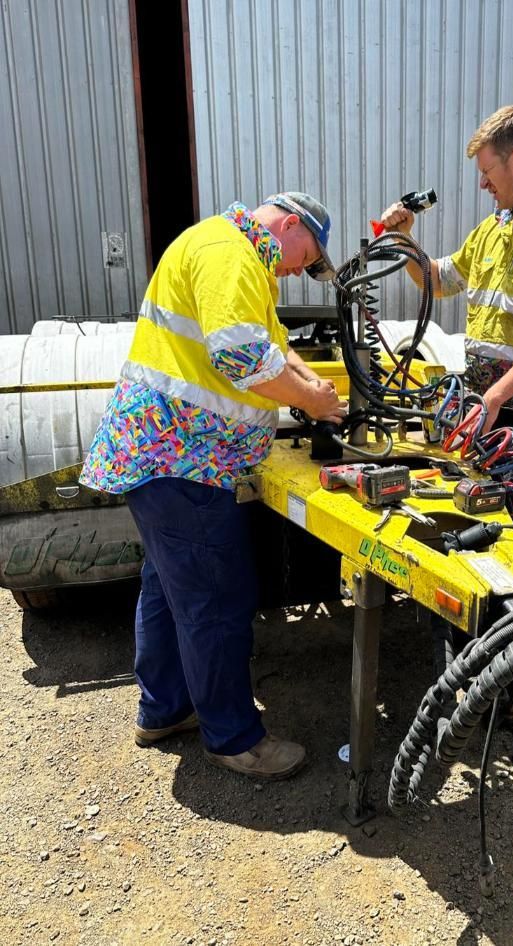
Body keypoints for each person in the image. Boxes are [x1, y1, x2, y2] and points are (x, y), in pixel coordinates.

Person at [80, 193, 347, 779]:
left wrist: (323, 395)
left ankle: (165, 710)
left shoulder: (234, 256)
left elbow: (278, 349)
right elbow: (243, 359)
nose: (303, 268)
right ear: (292, 225)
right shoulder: (230, 253)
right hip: (183, 461)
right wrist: (310, 402)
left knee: (167, 589)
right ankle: (234, 740)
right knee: (217, 600)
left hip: (165, 459)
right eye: (310, 254)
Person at [381, 105, 513, 524]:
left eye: (488, 171)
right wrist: (402, 238)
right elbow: (438, 280)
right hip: (489, 400)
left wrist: (493, 400)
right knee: (483, 514)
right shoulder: (492, 230)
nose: (483, 183)